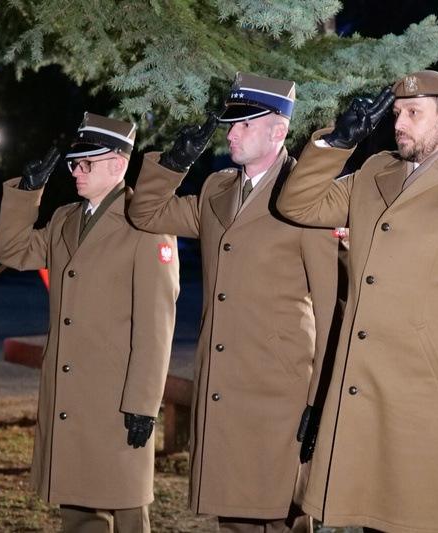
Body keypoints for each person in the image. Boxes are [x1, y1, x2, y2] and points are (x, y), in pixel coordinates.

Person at [275, 70, 438, 532]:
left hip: (431, 392)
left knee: (421, 518)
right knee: (370, 516)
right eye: (396, 113)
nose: (399, 123)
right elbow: (298, 205)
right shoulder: (377, 170)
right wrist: (337, 142)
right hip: (363, 384)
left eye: (414, 113)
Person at [126, 72, 340, 532]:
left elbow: (330, 310)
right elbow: (146, 213)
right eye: (232, 123)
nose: (231, 133)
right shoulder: (217, 189)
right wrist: (174, 164)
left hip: (280, 393)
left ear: (278, 131)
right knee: (234, 518)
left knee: (280, 518)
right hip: (222, 387)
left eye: (245, 124)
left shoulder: (307, 198)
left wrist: (319, 401)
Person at [0, 113, 180, 533]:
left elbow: (156, 327)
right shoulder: (65, 218)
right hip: (70, 395)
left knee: (126, 508)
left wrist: (143, 405)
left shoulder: (146, 224)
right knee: (79, 512)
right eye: (73, 163)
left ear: (117, 164)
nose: (75, 171)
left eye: (85, 163)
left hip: (116, 399)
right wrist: (28, 193)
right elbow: (12, 251)